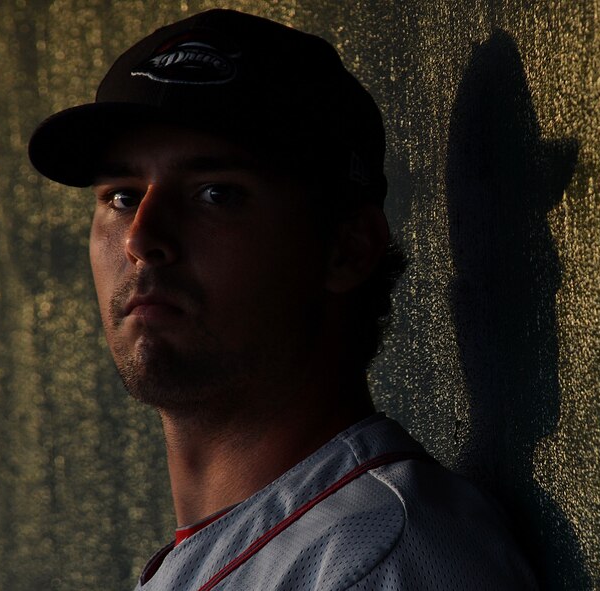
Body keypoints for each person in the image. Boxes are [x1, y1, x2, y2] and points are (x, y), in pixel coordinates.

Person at [29, 9, 537, 591]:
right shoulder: (268, 546)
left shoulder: (376, 560)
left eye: (215, 193)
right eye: (121, 196)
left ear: (346, 249)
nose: (143, 239)